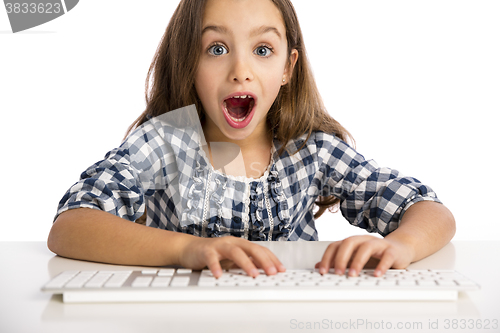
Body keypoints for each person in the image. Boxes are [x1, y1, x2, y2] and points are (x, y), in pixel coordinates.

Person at [47, 0, 455, 279]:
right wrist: (186, 250)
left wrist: (402, 245)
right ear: (189, 62)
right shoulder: (163, 144)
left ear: (287, 67)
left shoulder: (311, 150)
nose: (241, 70)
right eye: (218, 48)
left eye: (262, 49)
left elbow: (431, 212)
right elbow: (70, 226)